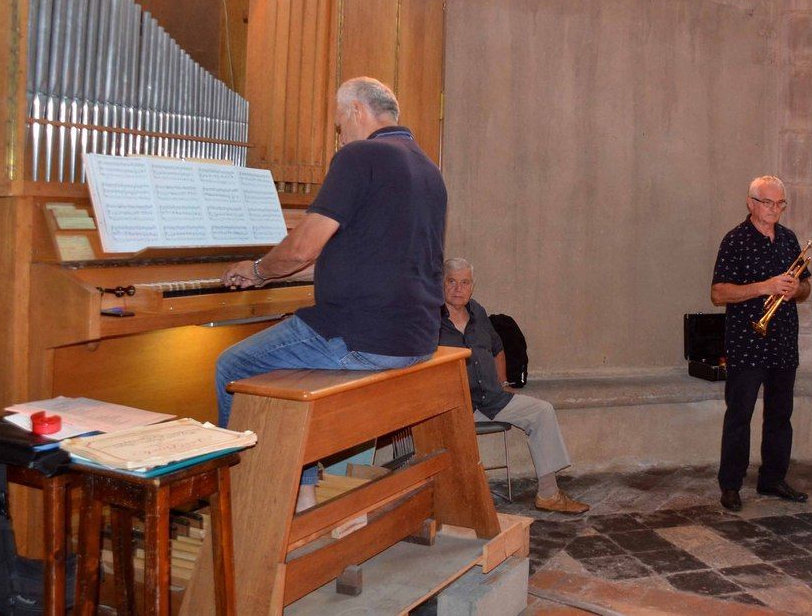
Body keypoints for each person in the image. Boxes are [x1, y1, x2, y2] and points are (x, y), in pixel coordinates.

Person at [217, 76, 447, 511]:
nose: (340, 136)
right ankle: (303, 495)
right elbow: (368, 253)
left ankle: (246, 503)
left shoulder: (360, 156)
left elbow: (302, 249)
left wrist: (258, 271)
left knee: (233, 365)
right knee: (291, 368)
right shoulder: (427, 169)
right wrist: (280, 273)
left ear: (357, 110)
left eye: (340, 124)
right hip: (416, 336)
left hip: (362, 336)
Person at [439, 258, 590, 514]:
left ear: (472, 286)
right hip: (455, 406)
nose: (458, 289)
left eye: (465, 282)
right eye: (451, 281)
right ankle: (456, 501)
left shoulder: (478, 312)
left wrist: (503, 382)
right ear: (441, 284)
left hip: (493, 398)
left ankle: (549, 495)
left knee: (542, 411)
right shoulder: (431, 319)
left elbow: (497, 348)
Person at [711, 175, 812, 512]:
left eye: (780, 203)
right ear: (751, 203)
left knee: (781, 414)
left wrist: (796, 290)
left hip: (783, 341)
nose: (775, 209)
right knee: (740, 415)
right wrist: (764, 286)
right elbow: (718, 293)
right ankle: (731, 484)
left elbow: (806, 287)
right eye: (768, 202)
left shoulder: (788, 239)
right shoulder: (735, 240)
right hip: (747, 341)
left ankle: (772, 478)